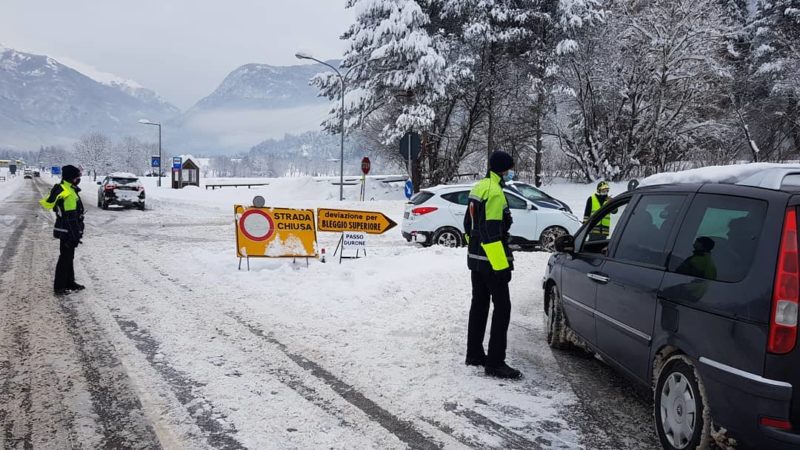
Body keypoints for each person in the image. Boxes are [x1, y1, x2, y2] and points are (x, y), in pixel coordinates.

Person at [463, 150, 521, 379]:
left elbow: (469, 224)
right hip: (491, 262)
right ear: (504, 169)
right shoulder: (496, 192)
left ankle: (475, 354)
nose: (510, 172)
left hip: (475, 260)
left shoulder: (479, 187)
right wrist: (501, 266)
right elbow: (491, 233)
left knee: (479, 305)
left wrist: (473, 249)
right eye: (510, 168)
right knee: (502, 308)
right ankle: (496, 362)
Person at [39, 165, 86, 295]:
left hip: (68, 229)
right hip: (68, 230)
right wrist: (74, 235)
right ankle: (59, 286)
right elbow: (70, 217)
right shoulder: (65, 190)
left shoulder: (70, 188)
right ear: (71, 177)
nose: (79, 178)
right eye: (77, 176)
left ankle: (70, 282)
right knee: (65, 258)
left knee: (69, 257)